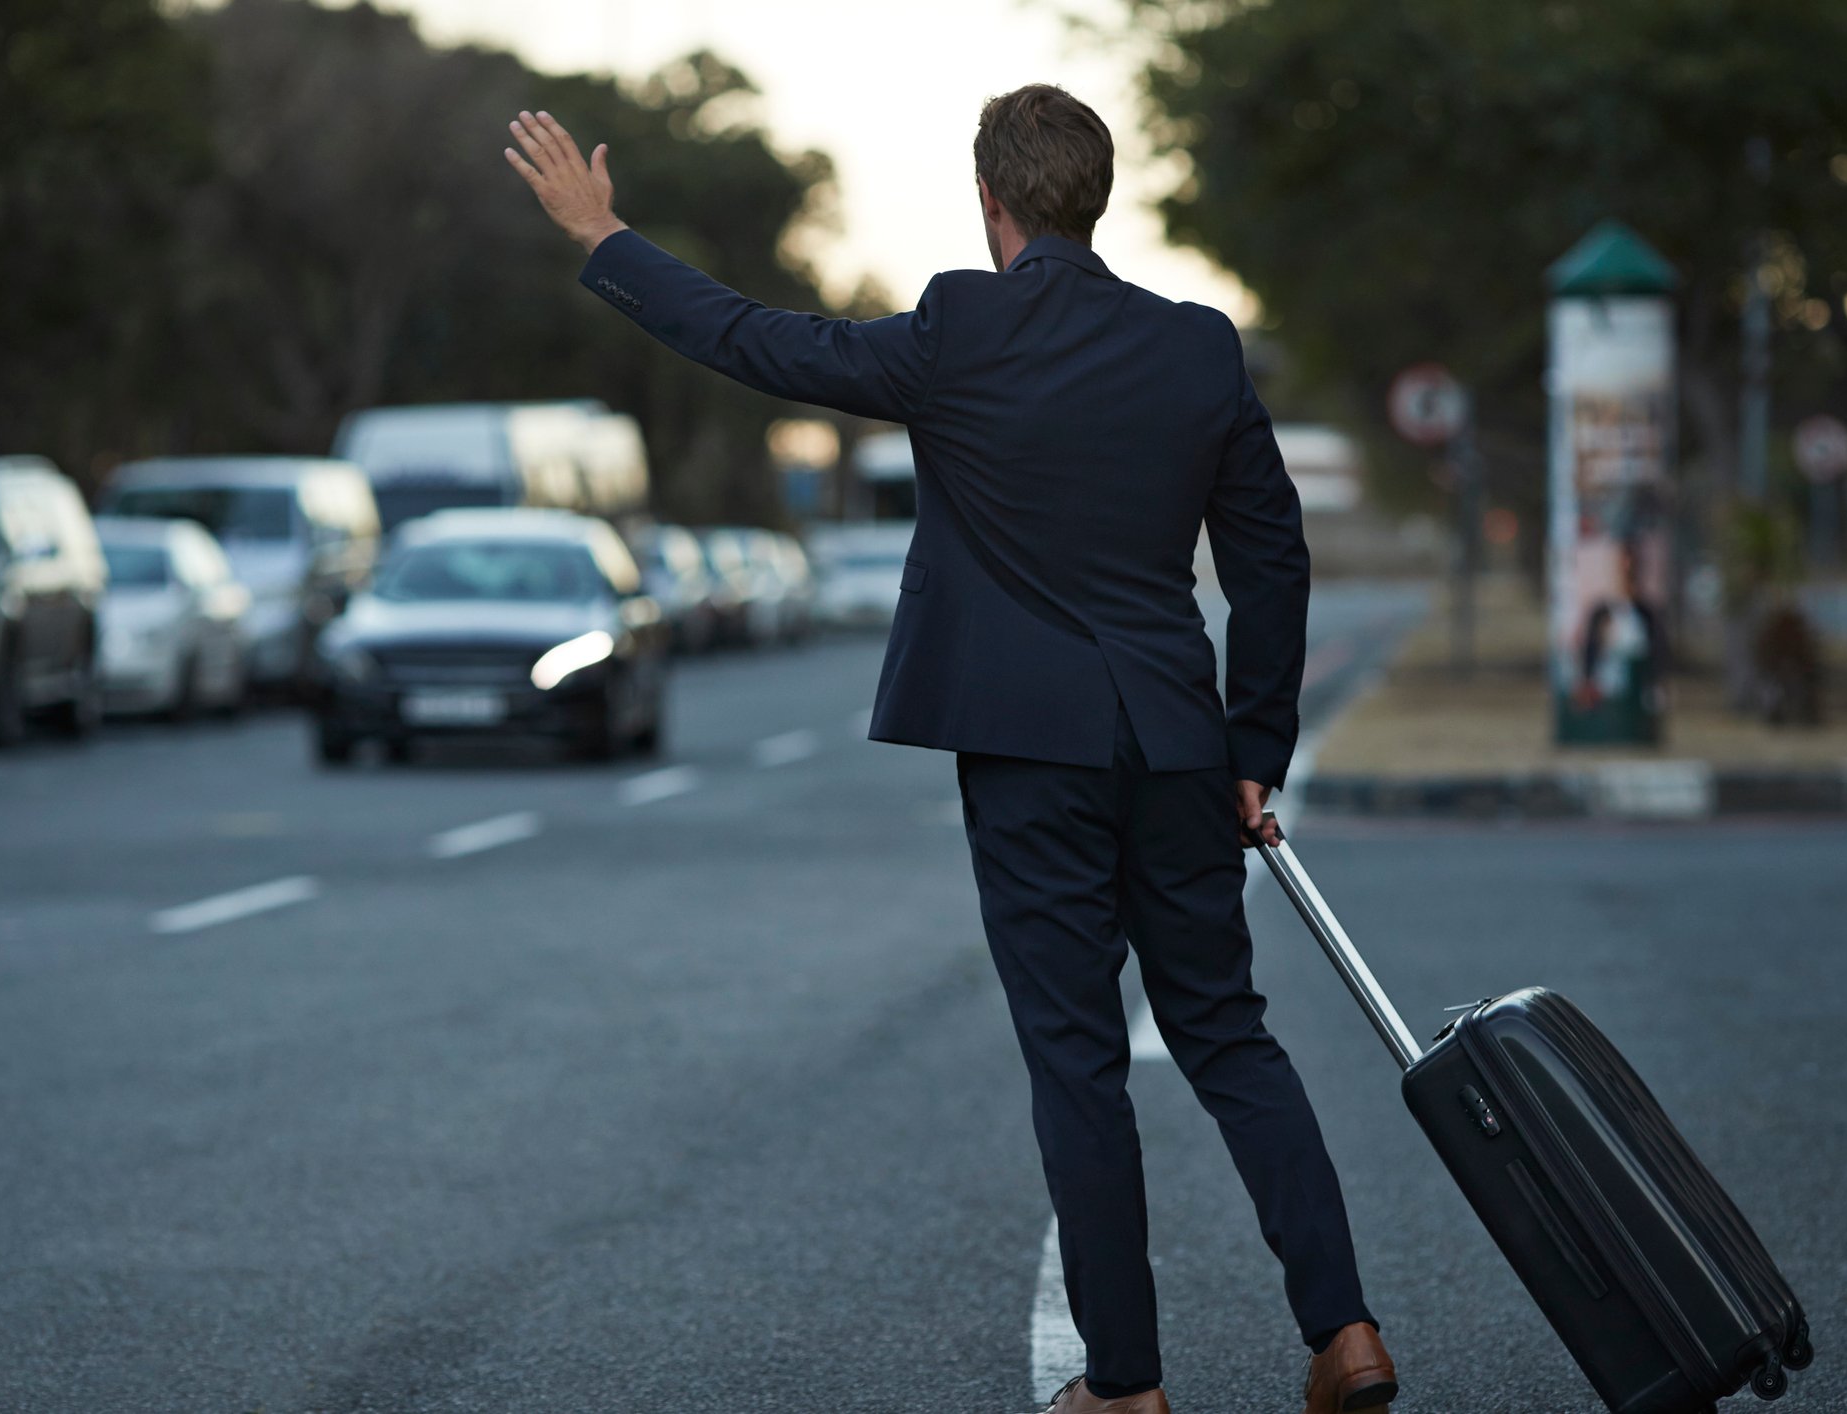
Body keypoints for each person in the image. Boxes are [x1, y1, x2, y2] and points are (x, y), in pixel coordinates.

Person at [503, 85, 1397, 1414]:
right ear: (1096, 200)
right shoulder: (1199, 348)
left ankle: (1127, 1387)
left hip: (1026, 751)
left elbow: (762, 342)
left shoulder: (959, 330)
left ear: (990, 202)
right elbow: (1269, 559)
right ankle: (1343, 1333)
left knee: (1075, 1056)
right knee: (1228, 1035)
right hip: (1172, 738)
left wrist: (603, 237)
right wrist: (1252, 738)